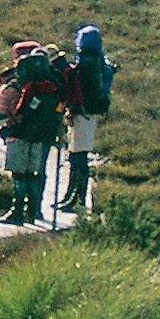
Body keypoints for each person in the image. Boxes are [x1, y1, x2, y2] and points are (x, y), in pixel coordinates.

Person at [0, 38, 72, 227]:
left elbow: (9, 112)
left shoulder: (20, 84)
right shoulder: (52, 82)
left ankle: (17, 212)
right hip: (42, 135)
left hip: (20, 133)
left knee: (19, 174)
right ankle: (33, 211)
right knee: (34, 173)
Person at [64, 23, 114, 217]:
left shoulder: (86, 61)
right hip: (89, 113)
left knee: (78, 157)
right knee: (79, 155)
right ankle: (74, 197)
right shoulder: (99, 61)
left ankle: (76, 199)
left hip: (82, 113)